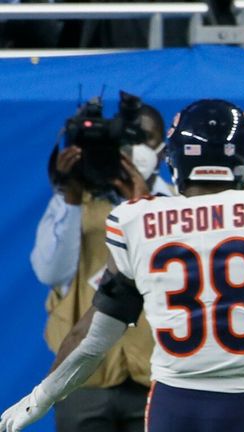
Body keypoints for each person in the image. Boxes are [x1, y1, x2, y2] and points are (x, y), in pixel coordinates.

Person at [2, 99, 244, 432]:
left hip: (171, 406)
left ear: (175, 160)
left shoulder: (136, 220)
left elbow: (92, 338)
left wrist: (41, 397)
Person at [29, 103, 171, 432]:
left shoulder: (173, 206)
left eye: (146, 138)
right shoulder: (72, 200)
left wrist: (144, 207)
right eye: (128, 137)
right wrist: (71, 199)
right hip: (81, 383)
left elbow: (172, 275)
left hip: (154, 379)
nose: (134, 147)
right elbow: (50, 273)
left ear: (163, 150)